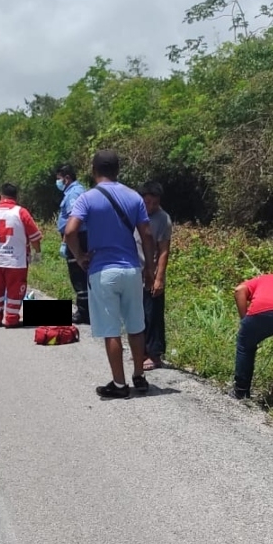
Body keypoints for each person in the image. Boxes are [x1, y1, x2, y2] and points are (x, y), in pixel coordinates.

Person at [64, 150, 155, 399]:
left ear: (94, 171)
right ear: (118, 170)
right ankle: (139, 375)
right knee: (136, 325)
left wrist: (80, 255)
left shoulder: (87, 198)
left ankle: (119, 384)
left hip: (103, 271)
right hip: (131, 269)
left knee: (111, 330)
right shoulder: (134, 196)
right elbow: (146, 234)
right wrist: (150, 268)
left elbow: (70, 231)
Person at [0, 183, 43, 328]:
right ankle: (12, 319)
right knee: (15, 290)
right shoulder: (21, 212)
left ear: (1, 196)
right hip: (16, 262)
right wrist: (37, 252)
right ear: (16, 197)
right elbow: (34, 236)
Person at [138, 181, 173, 370]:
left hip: (152, 274)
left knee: (153, 315)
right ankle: (141, 351)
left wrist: (159, 278)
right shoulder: (135, 214)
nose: (150, 207)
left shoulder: (163, 219)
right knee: (138, 314)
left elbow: (163, 251)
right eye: (147, 202)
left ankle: (154, 354)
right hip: (136, 272)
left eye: (155, 203)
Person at [55, 164, 89, 324]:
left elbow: (73, 220)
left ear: (67, 178)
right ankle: (85, 310)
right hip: (75, 237)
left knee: (79, 276)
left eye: (59, 179)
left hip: (76, 238)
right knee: (79, 274)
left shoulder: (74, 192)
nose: (58, 182)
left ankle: (84, 313)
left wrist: (65, 242)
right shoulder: (71, 192)